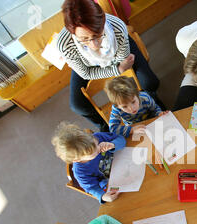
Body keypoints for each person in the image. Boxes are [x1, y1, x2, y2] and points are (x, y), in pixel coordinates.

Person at [57, 0, 163, 131]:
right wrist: (118, 69)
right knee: (77, 105)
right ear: (72, 32)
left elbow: (121, 59)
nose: (94, 45)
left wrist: (120, 66)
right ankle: (103, 125)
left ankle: (152, 104)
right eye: (84, 39)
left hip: (116, 51)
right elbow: (85, 73)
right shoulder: (64, 44)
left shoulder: (117, 26)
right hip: (88, 64)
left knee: (150, 82)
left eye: (97, 35)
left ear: (102, 22)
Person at [51, 122, 127, 203]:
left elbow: (121, 139)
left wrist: (113, 144)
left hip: (124, 161)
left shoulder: (98, 137)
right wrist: (103, 196)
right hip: (110, 180)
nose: (98, 148)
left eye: (96, 144)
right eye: (92, 152)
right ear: (77, 159)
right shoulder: (80, 171)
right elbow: (91, 188)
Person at [104, 76, 168, 137]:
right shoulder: (116, 109)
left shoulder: (145, 98)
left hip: (151, 123)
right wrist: (131, 130)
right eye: (124, 107)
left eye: (133, 102)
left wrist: (159, 113)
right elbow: (113, 128)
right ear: (117, 106)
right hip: (133, 129)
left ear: (137, 94)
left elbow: (155, 109)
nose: (132, 108)